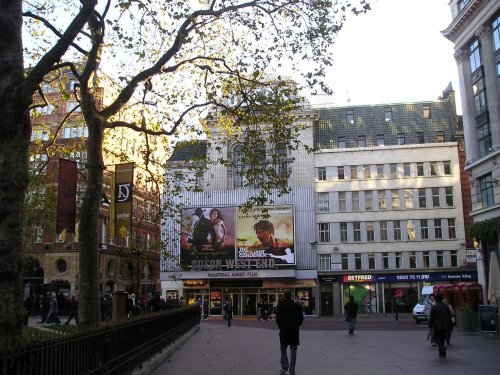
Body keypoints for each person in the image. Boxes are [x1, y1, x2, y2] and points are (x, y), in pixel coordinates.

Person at [275, 291, 304, 375]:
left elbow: (277, 319)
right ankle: (292, 370)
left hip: (284, 331)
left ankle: (284, 366)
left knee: (283, 348)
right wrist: (296, 325)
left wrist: (281, 326)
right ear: (291, 297)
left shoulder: (280, 306)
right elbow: (301, 318)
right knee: (293, 350)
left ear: (284, 296)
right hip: (294, 331)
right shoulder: (297, 306)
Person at [428, 294, 453, 358]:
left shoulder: (434, 307)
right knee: (442, 339)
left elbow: (431, 317)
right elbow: (449, 316)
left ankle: (442, 347)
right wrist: (450, 325)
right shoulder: (446, 307)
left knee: (436, 339)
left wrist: (430, 324)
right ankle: (442, 353)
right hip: (446, 326)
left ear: (436, 299)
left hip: (437, 326)